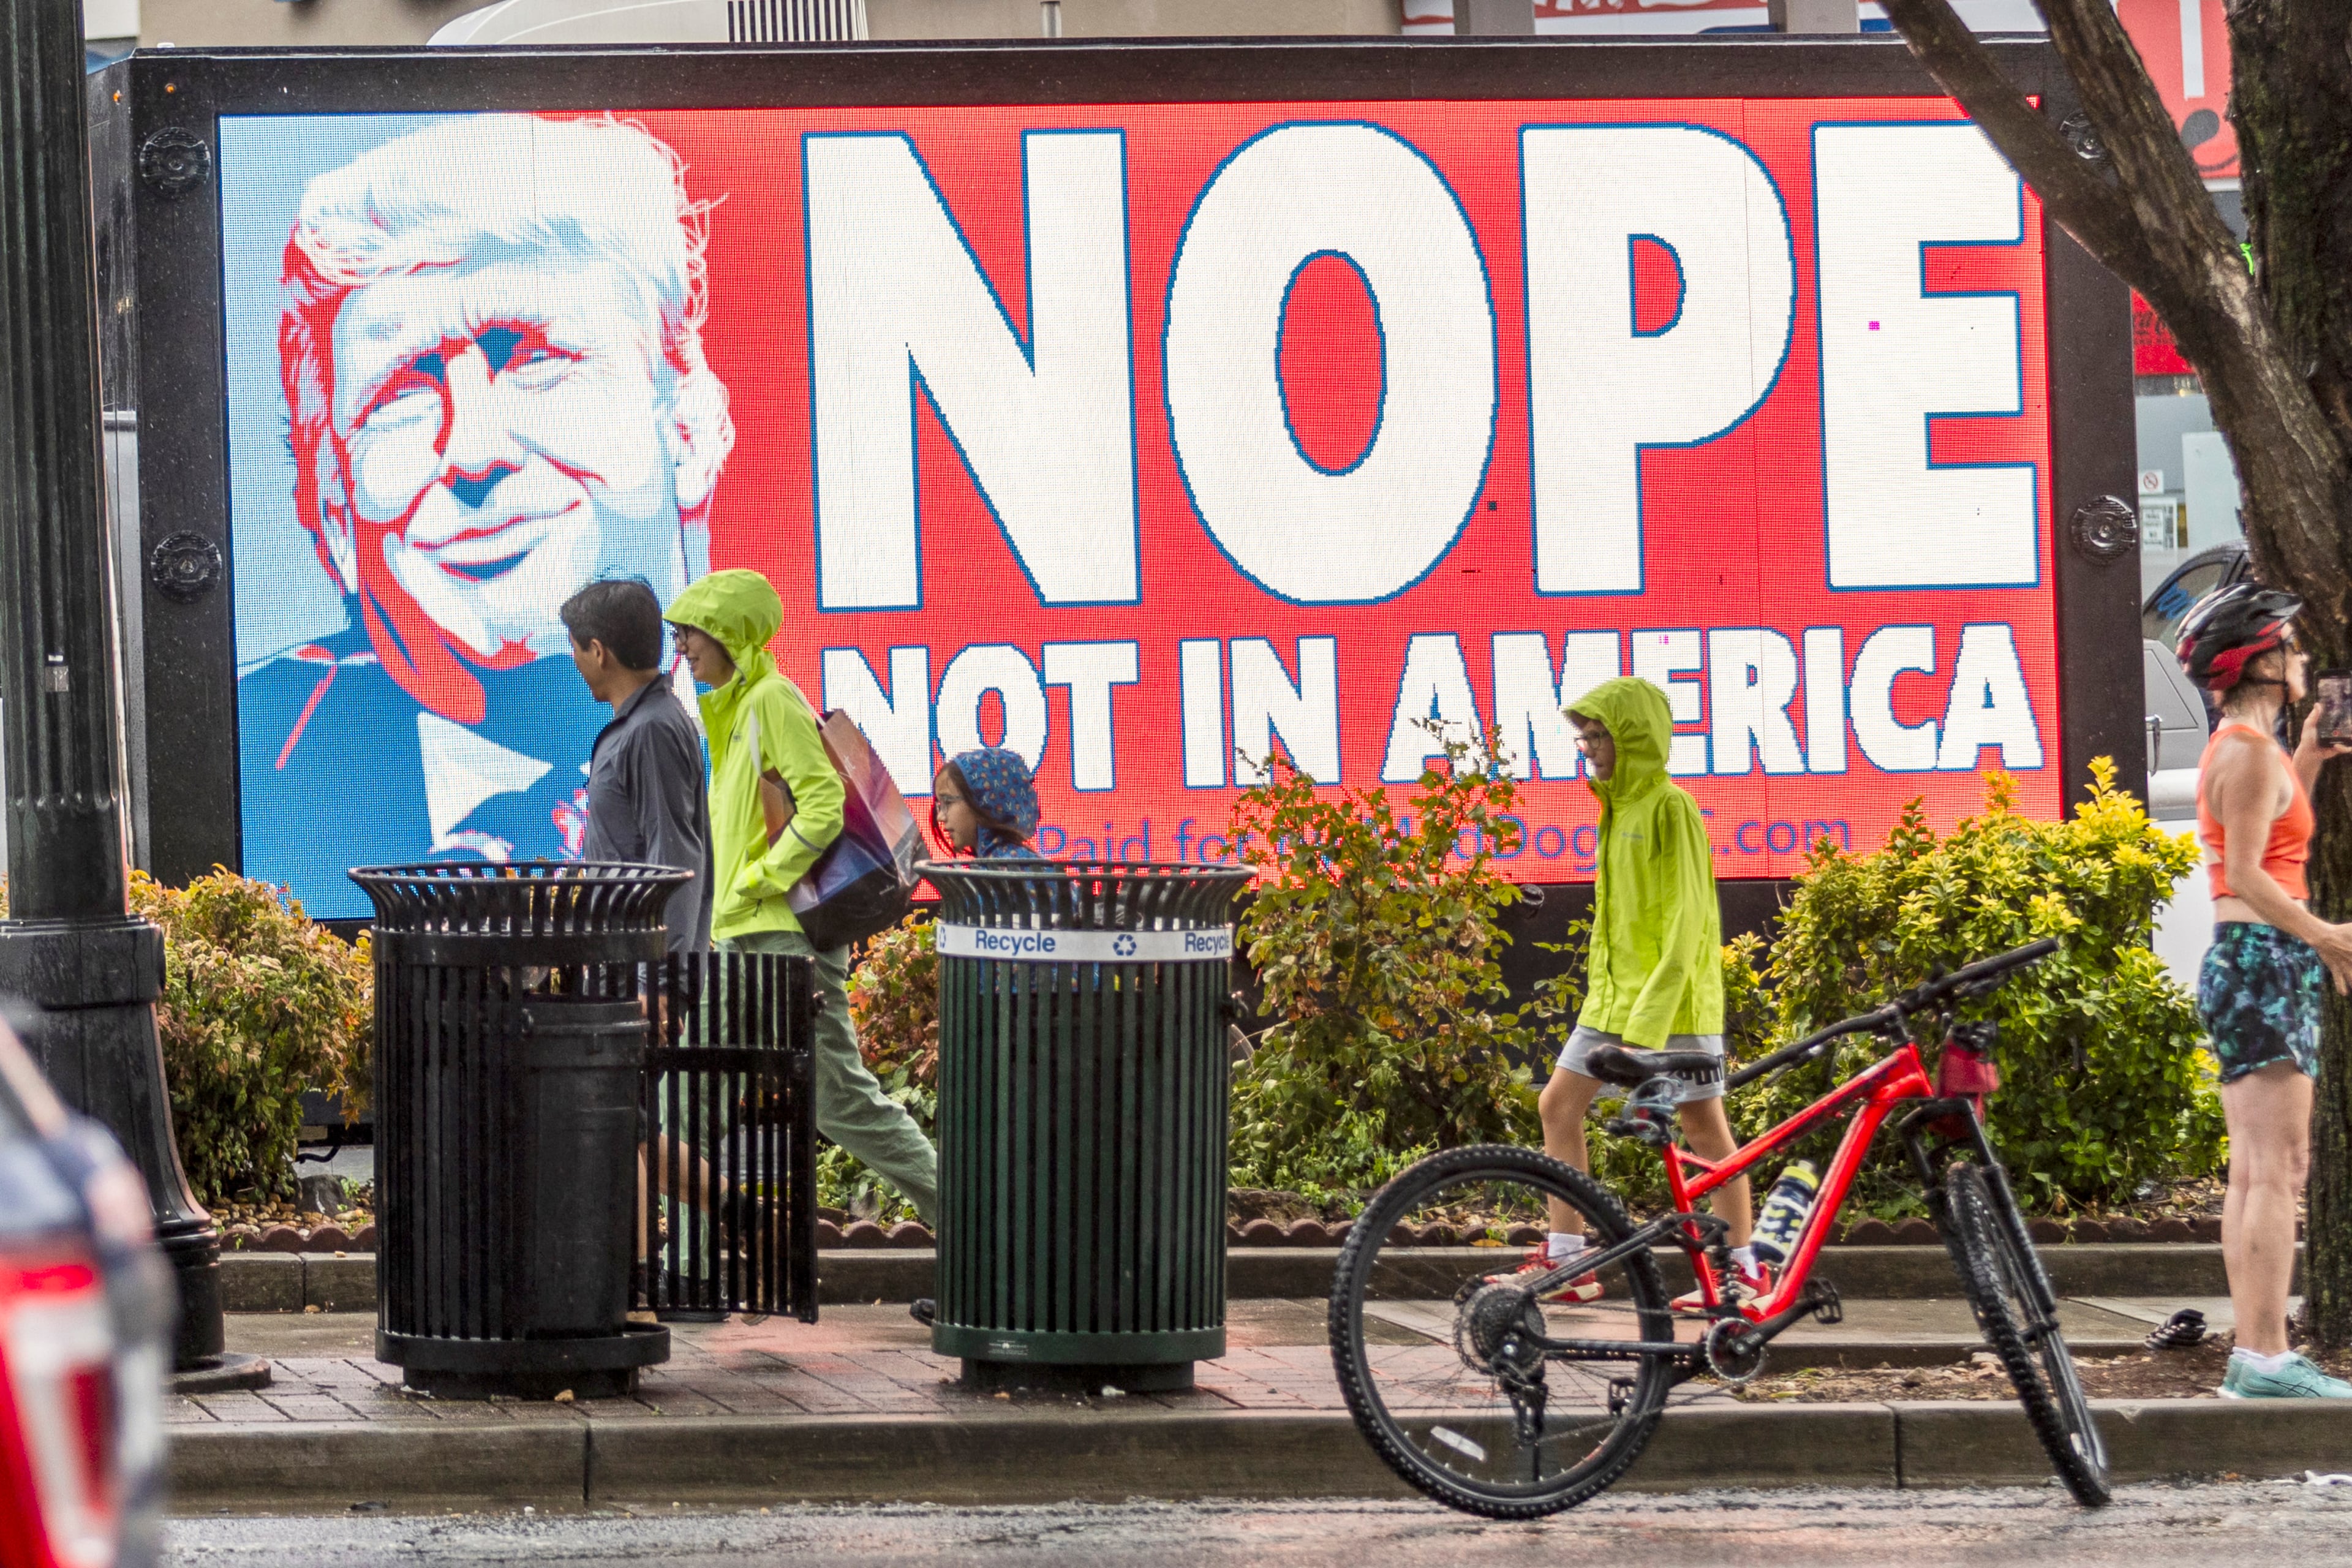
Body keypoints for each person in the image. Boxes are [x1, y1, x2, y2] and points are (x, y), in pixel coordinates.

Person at [239, 115, 736, 899]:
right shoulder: (253, 767)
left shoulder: (775, 725)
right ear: (328, 502)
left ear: (689, 422)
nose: (473, 452)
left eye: (535, 356)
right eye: (402, 390)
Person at [663, 568, 939, 1224]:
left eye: (690, 634)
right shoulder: (739, 707)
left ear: (727, 632)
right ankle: (693, 1275)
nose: (682, 649)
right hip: (744, 938)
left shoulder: (770, 701)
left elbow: (821, 807)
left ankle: (984, 1243)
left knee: (842, 1103)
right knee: (687, 1108)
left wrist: (761, 878)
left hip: (781, 940)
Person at [1501, 675, 1756, 1311]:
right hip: (1613, 1002)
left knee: (1705, 1132)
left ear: (1633, 736)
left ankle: (1744, 1271)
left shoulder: (1672, 806)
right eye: (1583, 737)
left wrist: (1648, 1023)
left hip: (1670, 1005)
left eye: (1598, 735)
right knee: (1558, 1104)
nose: (1587, 747)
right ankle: (1570, 1259)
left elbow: (1688, 918)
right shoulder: (1617, 808)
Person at [2178, 583, 2352, 1398]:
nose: (2305, 658)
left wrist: (2310, 756)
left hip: (2251, 960)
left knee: (2256, 1168)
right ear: (2264, 660)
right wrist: (2325, 936)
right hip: (2263, 959)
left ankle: (2257, 1354)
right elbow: (2246, 873)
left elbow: (2269, 847)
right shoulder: (2247, 754)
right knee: (2277, 1168)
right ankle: (2267, 1359)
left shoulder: (2249, 746)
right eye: (2293, 646)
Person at [561, 578, 711, 951]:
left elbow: (673, 857)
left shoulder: (652, 728)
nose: (574, 661)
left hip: (639, 974)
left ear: (598, 652)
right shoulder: (649, 721)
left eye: (575, 649)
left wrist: (658, 982)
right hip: (622, 964)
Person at [933, 748, 1046, 860]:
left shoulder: (1006, 868)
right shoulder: (1003, 863)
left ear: (983, 801)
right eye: (940, 806)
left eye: (948, 802)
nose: (940, 817)